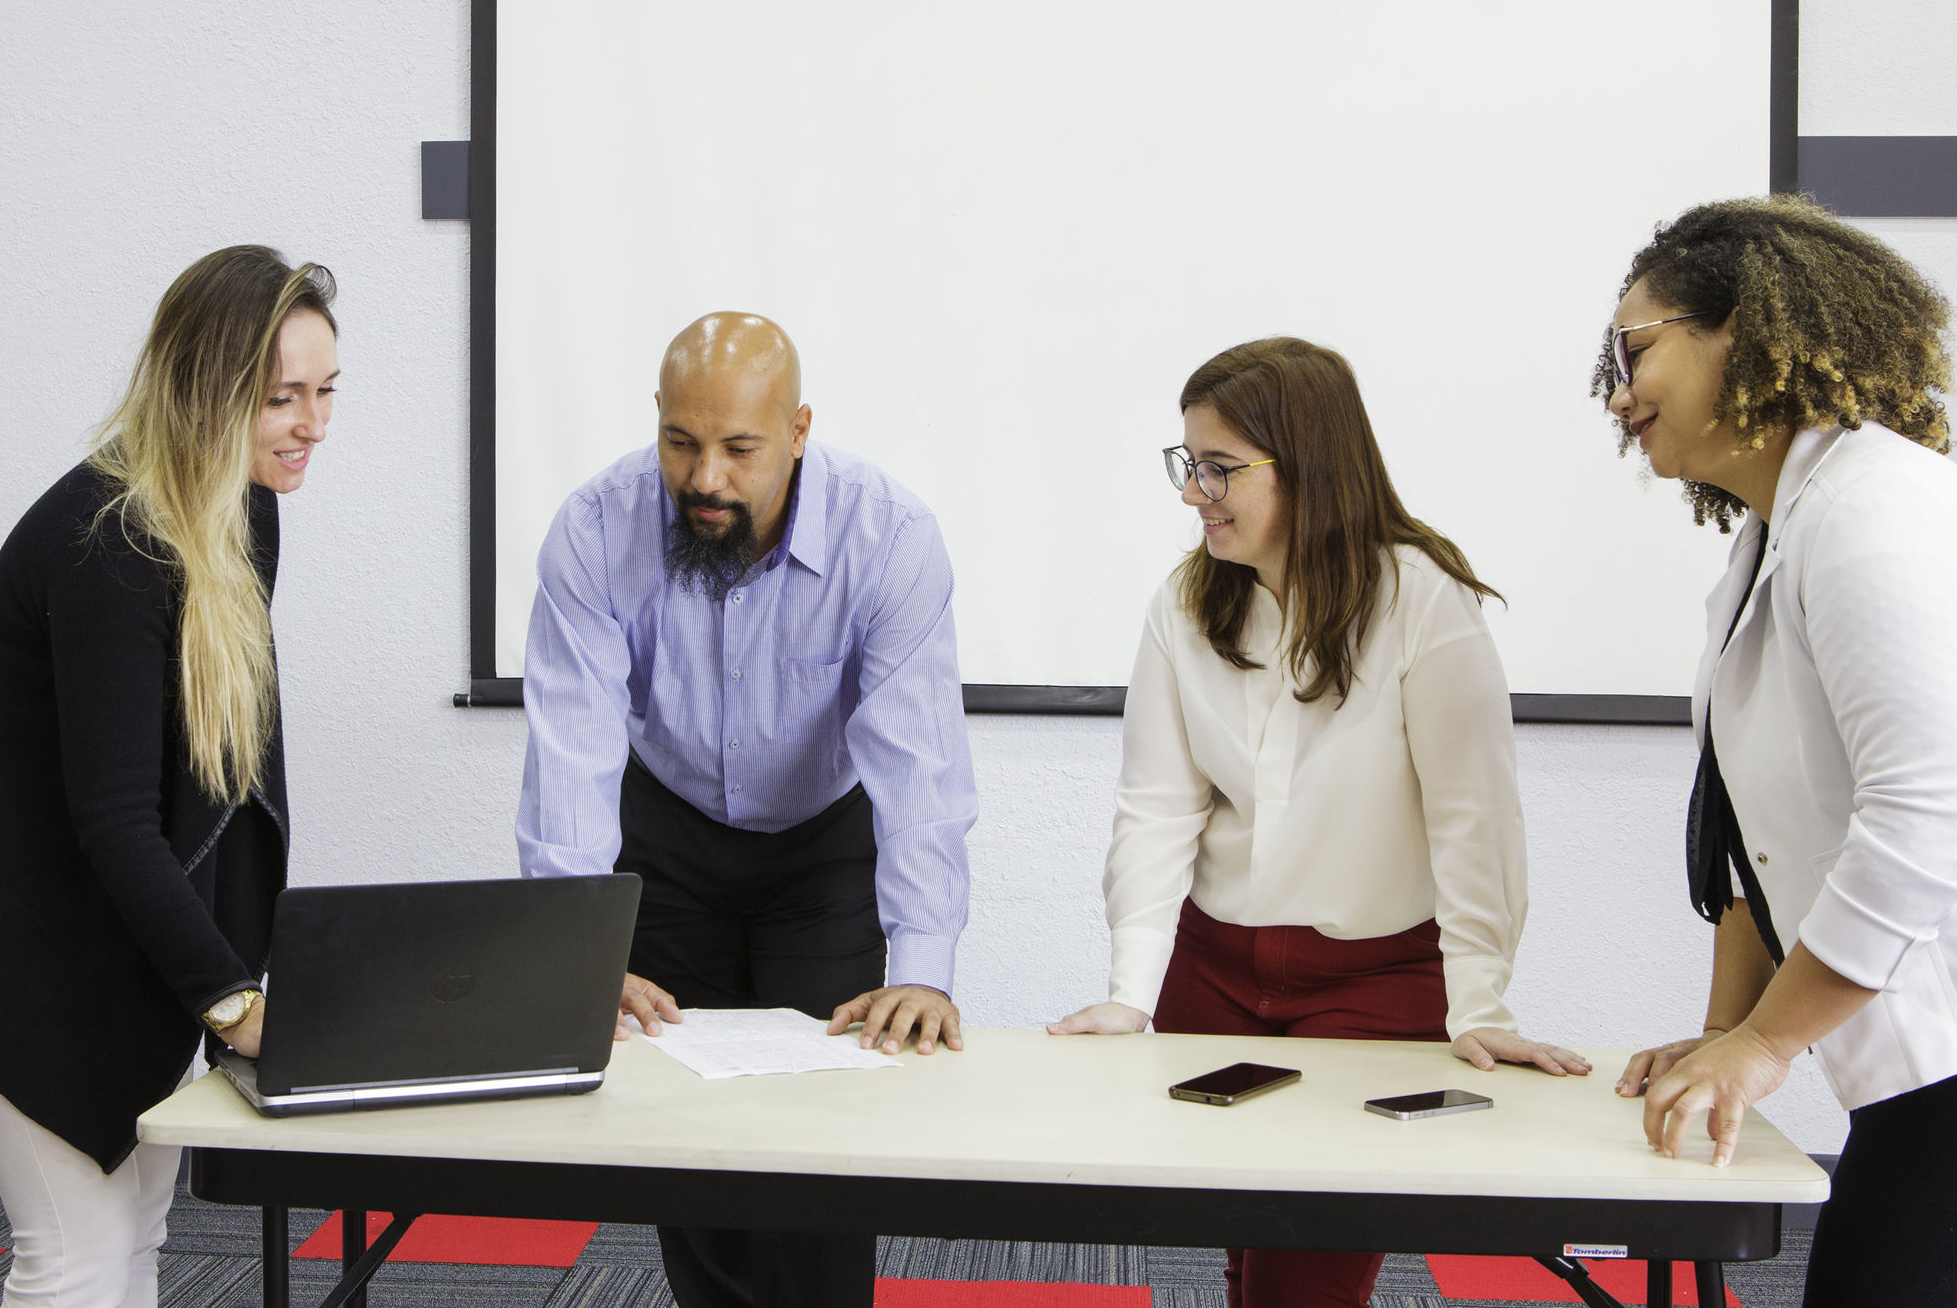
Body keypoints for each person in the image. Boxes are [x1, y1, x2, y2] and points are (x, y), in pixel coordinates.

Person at [1049, 336, 1589, 1308]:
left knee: (1304, 1276)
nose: (1191, 491)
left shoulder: (1423, 602)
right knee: (1241, 1251)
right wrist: (1130, 993)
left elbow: (1475, 825)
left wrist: (1479, 1006)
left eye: (1216, 468)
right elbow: (1156, 808)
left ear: (1305, 464)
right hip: (1212, 967)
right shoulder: (1183, 604)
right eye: (1187, 464)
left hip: (1374, 982)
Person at [516, 311, 976, 1308]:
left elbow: (919, 775)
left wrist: (924, 970)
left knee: (819, 1146)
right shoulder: (593, 531)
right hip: (670, 833)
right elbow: (570, 754)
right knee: (686, 1138)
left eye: (739, 449)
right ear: (655, 422)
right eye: (680, 443)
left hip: (821, 848)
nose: (706, 479)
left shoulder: (886, 539)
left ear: (798, 429)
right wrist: (575, 957)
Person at [0, 245, 339, 1307]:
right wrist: (233, 1005)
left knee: (135, 1233)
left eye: (325, 392)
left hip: (110, 919)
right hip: (7, 931)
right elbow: (113, 817)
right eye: (278, 397)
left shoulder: (241, 510)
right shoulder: (107, 541)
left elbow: (212, 775)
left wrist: (229, 975)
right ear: (202, 388)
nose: (310, 424)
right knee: (73, 1250)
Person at [1598, 195, 1957, 1307]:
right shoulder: (1772, 540)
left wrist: (1759, 1052)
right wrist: (1727, 1036)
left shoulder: (1870, 509)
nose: (1618, 395)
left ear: (1745, 329)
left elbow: (1923, 814)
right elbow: (1753, 846)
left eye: (1634, 349)